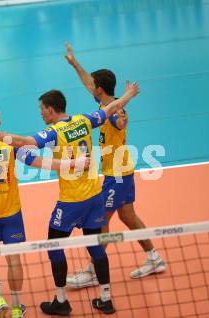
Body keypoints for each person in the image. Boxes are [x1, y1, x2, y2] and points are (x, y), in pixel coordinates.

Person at [0, 84, 139, 315]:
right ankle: (106, 298)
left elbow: (22, 142)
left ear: (51, 110)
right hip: (94, 196)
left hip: (71, 202)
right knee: (95, 245)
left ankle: (61, 301)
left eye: (42, 109)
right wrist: (129, 94)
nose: (40, 113)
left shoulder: (55, 132)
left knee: (54, 246)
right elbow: (111, 108)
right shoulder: (84, 120)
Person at [0, 104, 91, 318]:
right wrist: (73, 163)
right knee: (14, 259)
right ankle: (17, 307)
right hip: (11, 213)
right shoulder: (11, 145)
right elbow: (40, 162)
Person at [64, 43, 166, 288]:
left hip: (116, 175)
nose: (90, 88)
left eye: (93, 87)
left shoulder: (113, 112)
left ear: (99, 90)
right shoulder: (103, 104)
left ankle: (93, 270)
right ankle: (154, 258)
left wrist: (123, 111)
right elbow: (89, 82)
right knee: (128, 216)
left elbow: (119, 121)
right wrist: (75, 63)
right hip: (121, 172)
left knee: (100, 221)